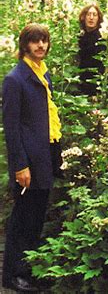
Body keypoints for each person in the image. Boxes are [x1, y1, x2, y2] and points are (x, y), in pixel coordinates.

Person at [2, 24, 62, 293]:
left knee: (37, 216)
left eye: (44, 41)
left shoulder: (42, 73)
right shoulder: (15, 79)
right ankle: (12, 275)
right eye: (34, 41)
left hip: (44, 156)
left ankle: (30, 270)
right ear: (24, 45)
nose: (40, 45)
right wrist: (20, 166)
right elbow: (12, 128)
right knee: (22, 218)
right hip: (28, 161)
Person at [77, 4, 105, 96]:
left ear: (99, 19)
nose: (91, 18)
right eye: (88, 14)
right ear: (83, 17)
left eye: (94, 15)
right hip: (82, 83)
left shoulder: (104, 35)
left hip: (100, 84)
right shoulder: (80, 36)